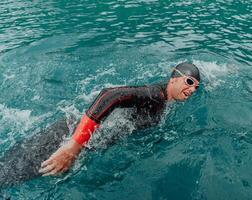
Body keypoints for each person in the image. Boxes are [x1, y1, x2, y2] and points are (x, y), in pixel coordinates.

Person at [39, 62, 200, 176]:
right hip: (66, 137)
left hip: (81, 134)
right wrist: (73, 147)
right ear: (173, 79)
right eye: (189, 82)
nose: (192, 89)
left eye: (196, 87)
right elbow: (110, 95)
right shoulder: (155, 95)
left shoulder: (164, 99)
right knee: (15, 173)